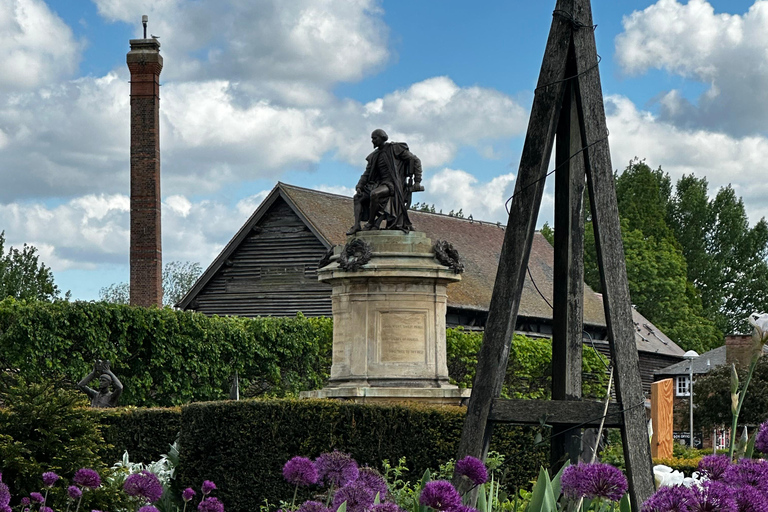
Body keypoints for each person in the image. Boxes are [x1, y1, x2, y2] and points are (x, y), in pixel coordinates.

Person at [347, 129, 423, 235]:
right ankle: (356, 226)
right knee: (358, 197)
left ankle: (370, 223)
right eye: (372, 139)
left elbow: (415, 160)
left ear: (382, 138)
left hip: (393, 184)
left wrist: (417, 181)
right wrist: (360, 185)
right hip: (378, 183)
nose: (372, 141)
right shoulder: (374, 155)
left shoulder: (395, 148)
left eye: (374, 138)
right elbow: (367, 173)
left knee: (374, 194)